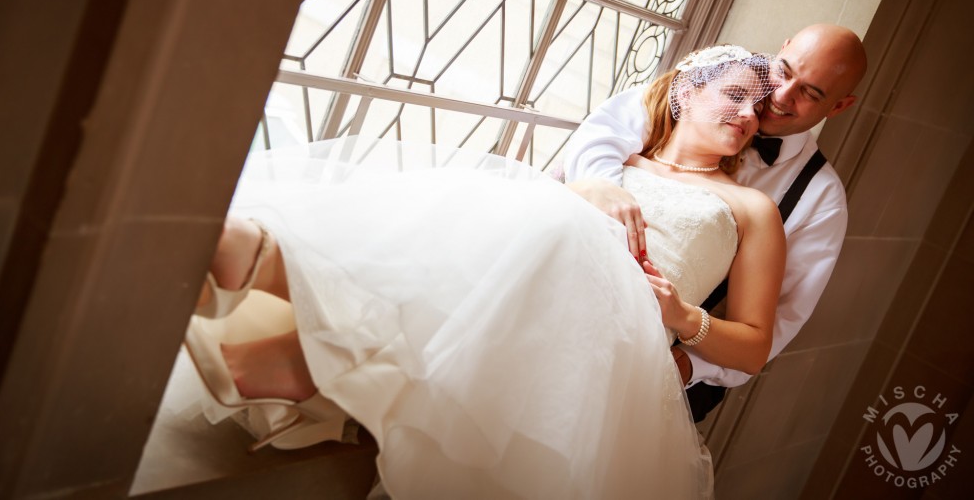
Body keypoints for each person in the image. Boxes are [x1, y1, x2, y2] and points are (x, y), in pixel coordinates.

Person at [183, 45, 785, 499]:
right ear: (684, 90)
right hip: (545, 298)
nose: (747, 113)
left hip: (620, 334)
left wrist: (681, 316)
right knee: (522, 200)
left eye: (758, 107)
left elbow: (756, 349)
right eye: (733, 94)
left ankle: (276, 287)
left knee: (550, 221)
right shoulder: (608, 165)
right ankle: (290, 330)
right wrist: (584, 187)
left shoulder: (752, 208)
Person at [563, 23, 867, 421]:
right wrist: (596, 185)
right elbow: (599, 139)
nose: (780, 96)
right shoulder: (711, 83)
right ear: (781, 48)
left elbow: (779, 321)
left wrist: (688, 363)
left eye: (811, 93)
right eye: (785, 71)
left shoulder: (818, 198)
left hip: (665, 366)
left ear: (839, 107)